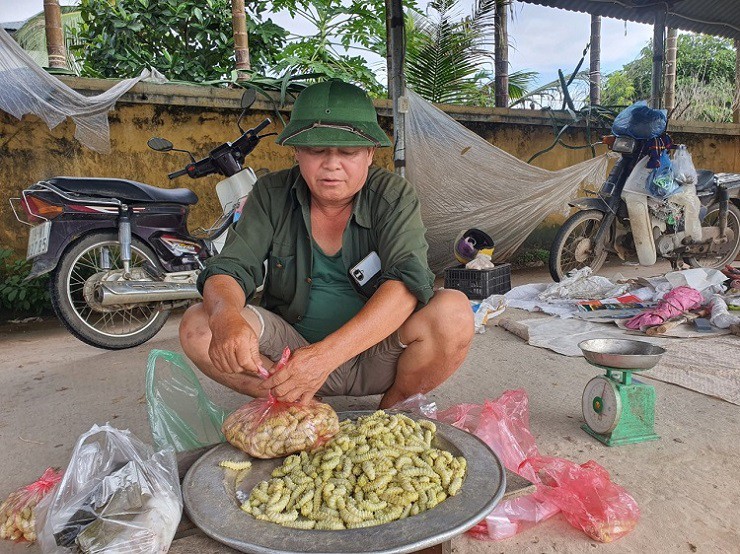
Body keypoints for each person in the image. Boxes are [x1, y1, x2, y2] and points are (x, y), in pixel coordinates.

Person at [179, 79, 474, 409]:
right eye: (317, 150)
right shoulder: (270, 194)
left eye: (348, 152)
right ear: (297, 152)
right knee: (198, 325)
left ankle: (392, 412)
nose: (332, 164)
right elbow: (229, 269)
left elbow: (407, 284)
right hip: (289, 355)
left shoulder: (394, 197)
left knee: (454, 312)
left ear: (370, 155)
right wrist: (225, 314)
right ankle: (300, 408)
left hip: (376, 355)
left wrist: (323, 358)